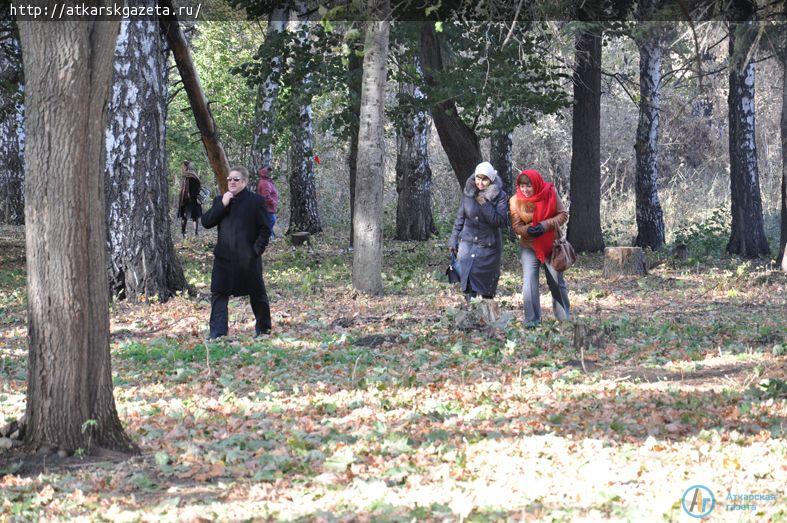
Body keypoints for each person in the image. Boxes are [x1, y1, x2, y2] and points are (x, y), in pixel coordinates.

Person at [201, 166, 273, 339]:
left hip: (248, 259)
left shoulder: (256, 201)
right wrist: (223, 204)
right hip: (223, 259)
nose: (231, 182)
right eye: (229, 179)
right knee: (219, 294)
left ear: (245, 182)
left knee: (257, 294)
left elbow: (265, 229)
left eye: (236, 179)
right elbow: (206, 222)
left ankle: (264, 330)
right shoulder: (221, 200)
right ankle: (218, 334)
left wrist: (256, 250)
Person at [509, 169, 570, 328]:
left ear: (535, 184)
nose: (525, 189)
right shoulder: (515, 200)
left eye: (528, 186)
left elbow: (563, 215)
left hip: (552, 245)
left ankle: (564, 318)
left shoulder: (550, 192)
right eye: (522, 186)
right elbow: (516, 226)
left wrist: (545, 225)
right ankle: (532, 321)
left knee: (556, 281)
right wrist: (528, 230)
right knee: (529, 282)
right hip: (529, 246)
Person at [448, 161, 509, 303]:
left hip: (488, 249)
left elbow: (499, 221)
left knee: (486, 288)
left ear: (491, 179)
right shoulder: (468, 192)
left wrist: (484, 203)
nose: (480, 183)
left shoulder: (500, 195)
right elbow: (460, 217)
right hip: (467, 246)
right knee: (468, 285)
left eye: (484, 179)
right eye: (478, 178)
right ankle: (471, 315)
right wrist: (453, 238)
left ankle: (486, 319)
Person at [177, 161, 203, 237]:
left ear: (186, 167)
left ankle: (190, 233)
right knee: (188, 217)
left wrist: (192, 197)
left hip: (190, 200)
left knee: (189, 217)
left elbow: (195, 189)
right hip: (189, 200)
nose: (182, 168)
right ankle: (187, 233)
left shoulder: (190, 177)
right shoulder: (192, 176)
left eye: (183, 166)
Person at [256, 166, 279, 239]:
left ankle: (270, 237)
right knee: (271, 221)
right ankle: (268, 237)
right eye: (268, 172)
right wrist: (273, 202)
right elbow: (266, 196)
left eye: (270, 172)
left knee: (270, 222)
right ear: (264, 173)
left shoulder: (267, 182)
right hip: (267, 207)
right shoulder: (265, 183)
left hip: (268, 207)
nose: (270, 173)